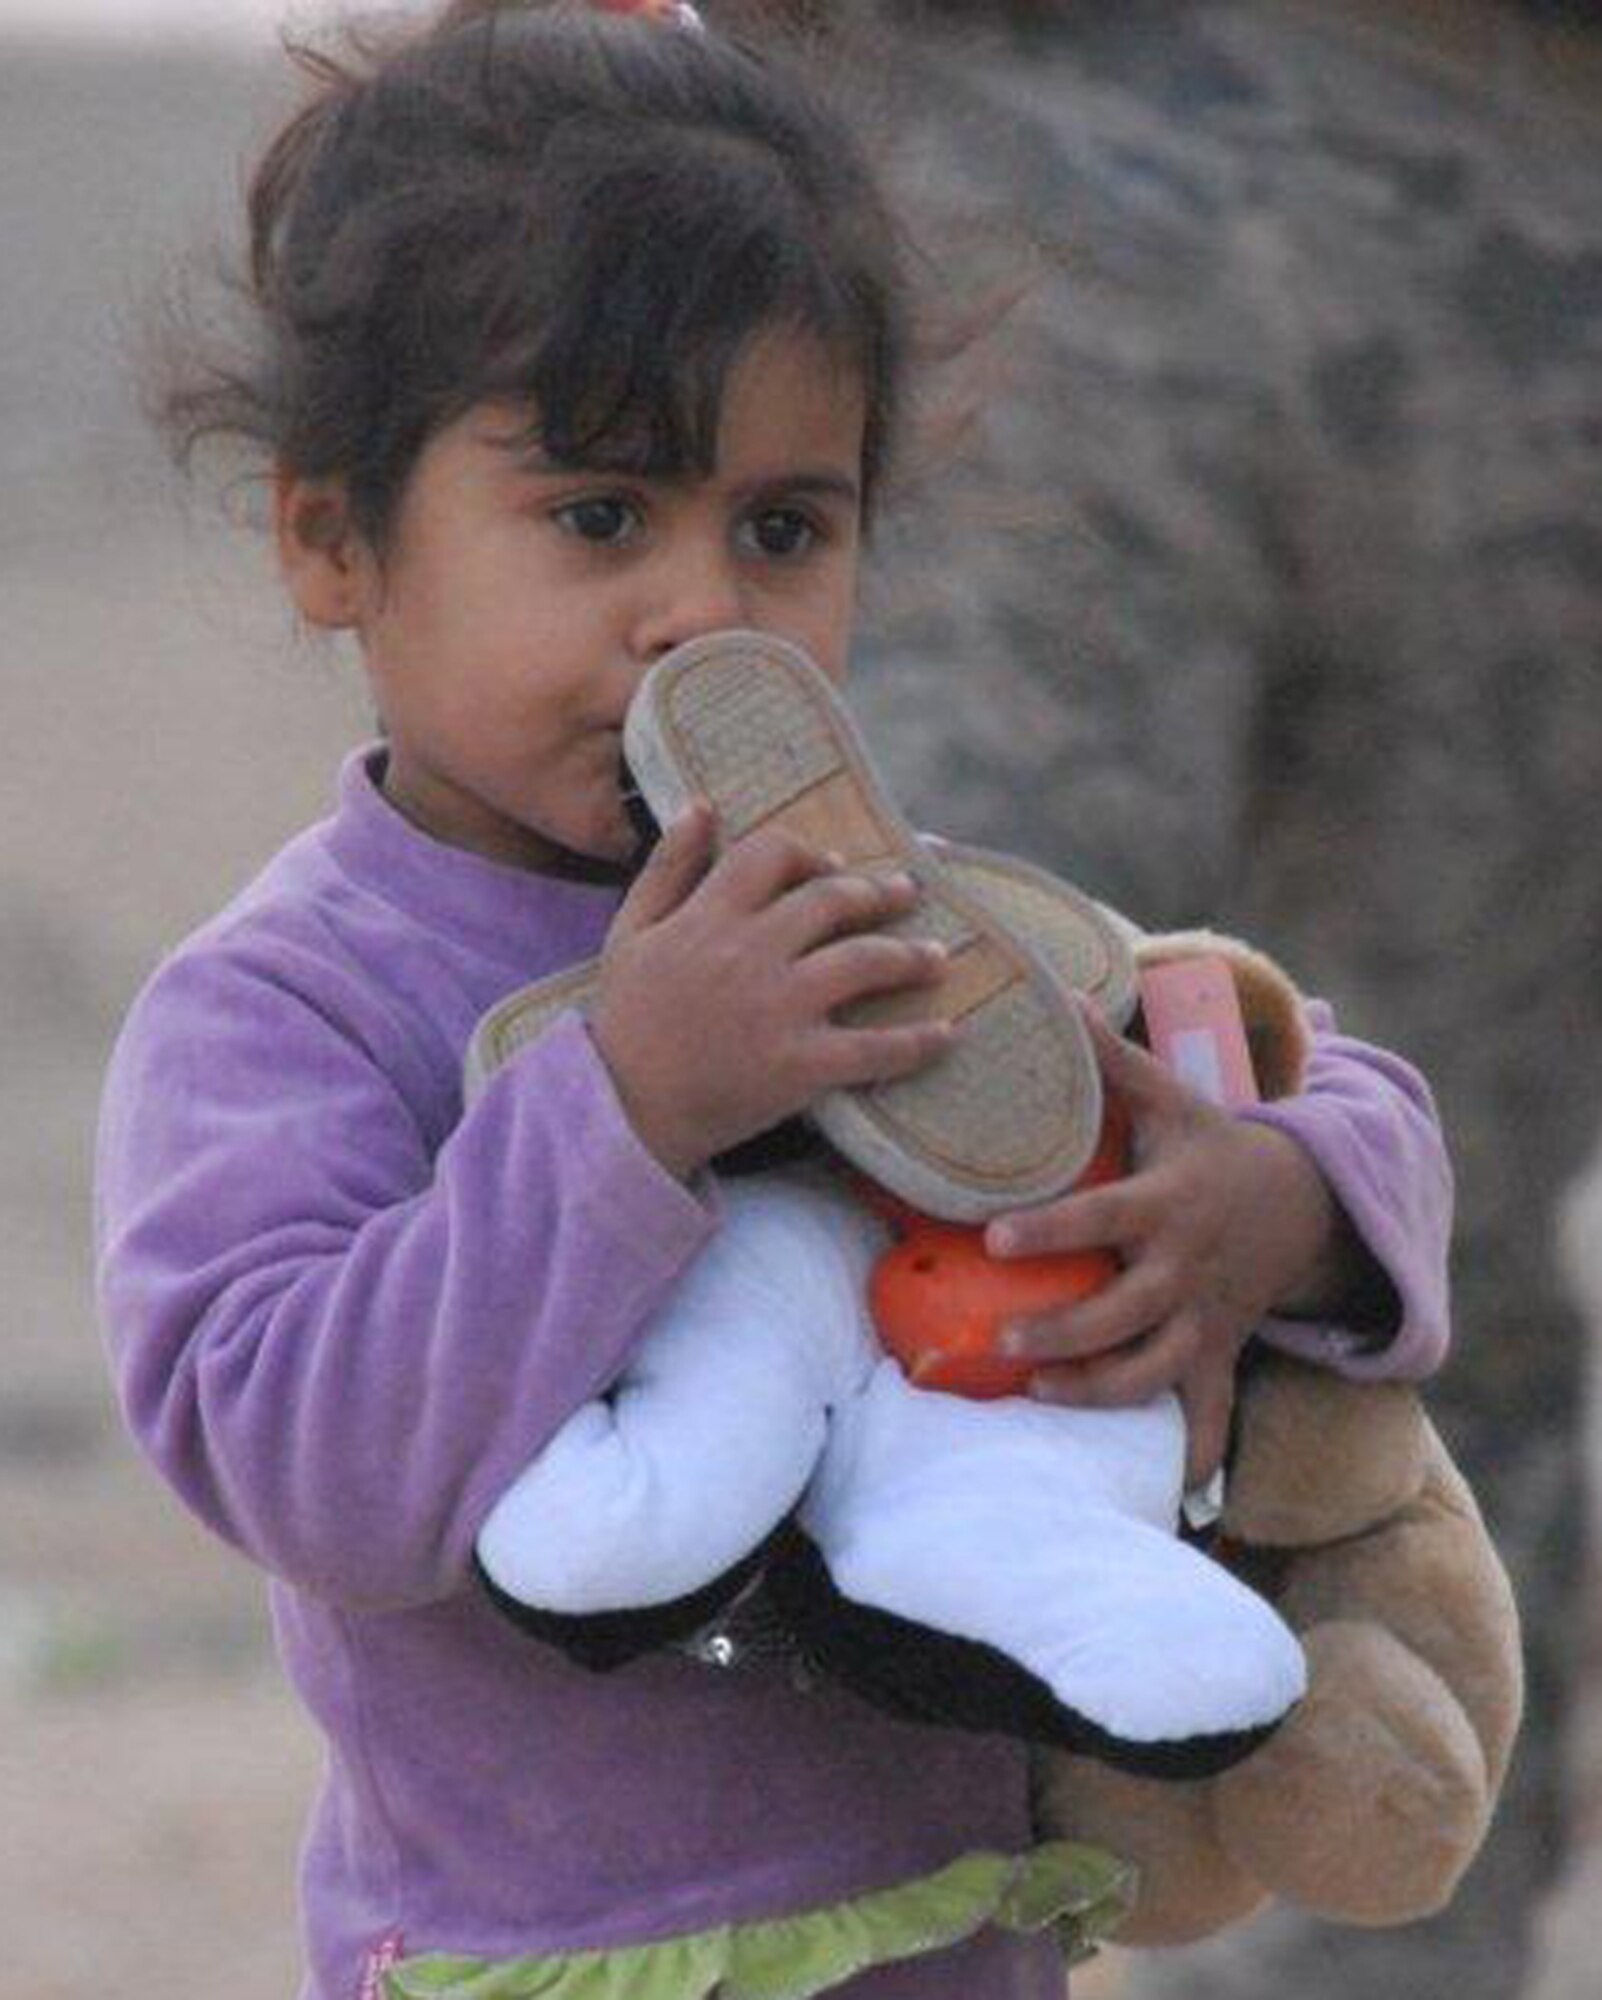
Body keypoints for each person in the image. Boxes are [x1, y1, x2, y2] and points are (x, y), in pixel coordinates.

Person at [95, 5, 1452, 1996]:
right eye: (598, 515)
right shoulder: (289, 1007)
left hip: (958, 1936)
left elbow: (1304, 1065)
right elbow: (312, 1466)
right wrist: (626, 1109)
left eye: (786, 527)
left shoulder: (898, 910)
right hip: (544, 1954)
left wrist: (1284, 1202)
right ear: (334, 537)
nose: (703, 612)